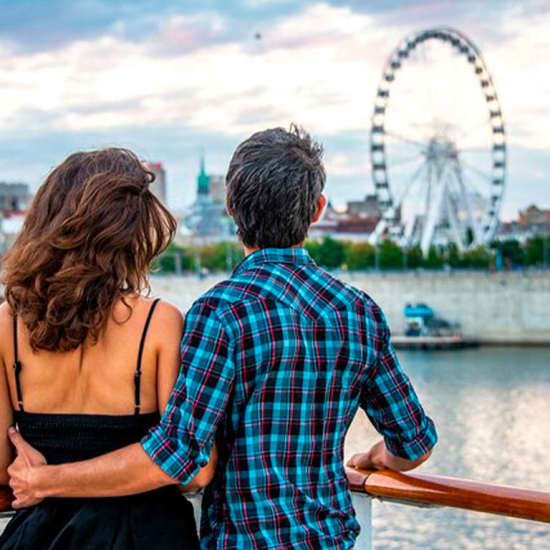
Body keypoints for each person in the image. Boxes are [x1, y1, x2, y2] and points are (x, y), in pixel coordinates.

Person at [7, 127, 437, 549]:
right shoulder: (359, 313)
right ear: (318, 210)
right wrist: (376, 458)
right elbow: (414, 443)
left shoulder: (219, 314)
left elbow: (181, 454)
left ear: (230, 208)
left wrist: (48, 479)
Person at [0, 148, 215, 549]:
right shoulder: (159, 323)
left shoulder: (6, 325)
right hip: (146, 534)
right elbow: (194, 471)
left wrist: (46, 477)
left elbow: (3, 468)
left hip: (44, 535)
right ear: (133, 231)